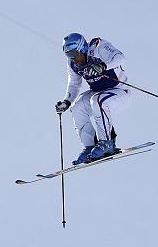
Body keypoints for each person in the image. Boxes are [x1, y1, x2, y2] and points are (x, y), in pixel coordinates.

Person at [55, 33, 131, 164]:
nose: (72, 58)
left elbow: (120, 57)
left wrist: (103, 66)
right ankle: (90, 147)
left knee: (97, 101)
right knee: (77, 107)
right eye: (68, 55)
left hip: (119, 91)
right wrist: (66, 102)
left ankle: (107, 143)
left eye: (74, 54)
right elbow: (74, 84)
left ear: (82, 48)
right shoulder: (73, 64)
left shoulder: (98, 47)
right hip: (98, 93)